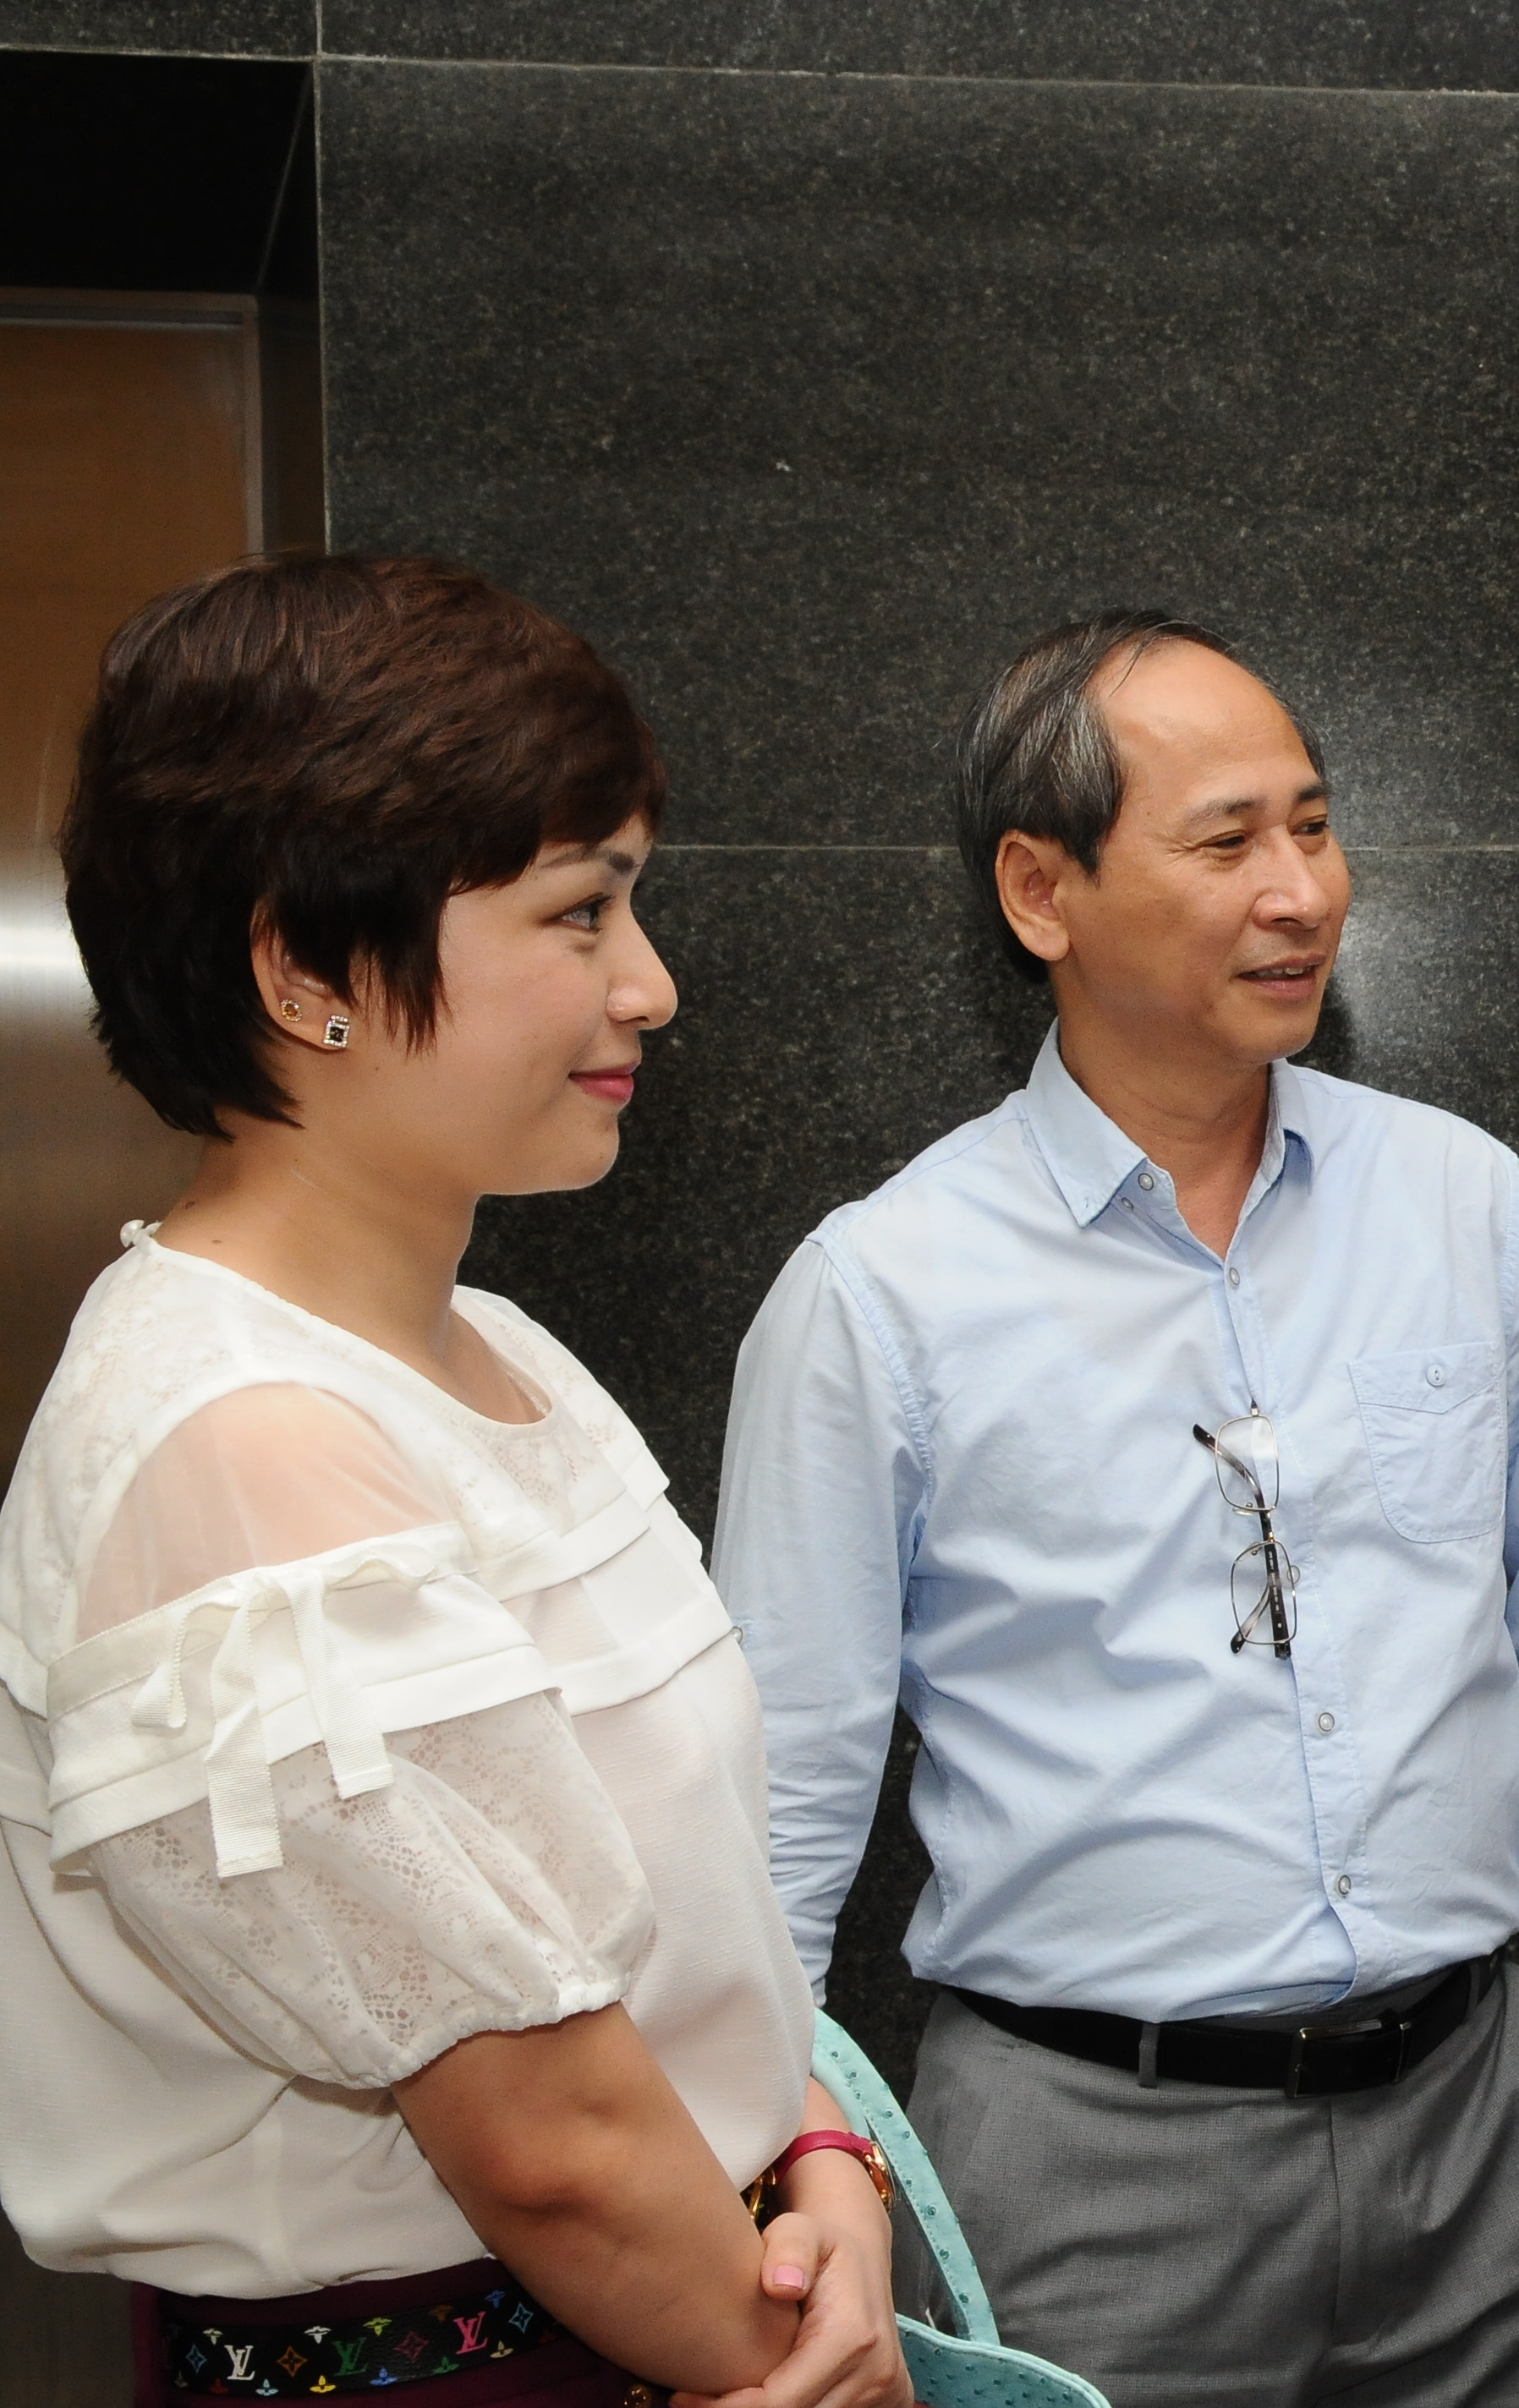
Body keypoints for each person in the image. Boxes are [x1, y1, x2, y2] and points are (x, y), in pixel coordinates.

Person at [718, 611, 1519, 2408]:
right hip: (1085, 2161)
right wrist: (799, 2148)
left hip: (1488, 2119)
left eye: (1313, 825)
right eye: (1227, 839)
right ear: (1042, 890)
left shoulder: (1460, 1200)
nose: (1301, 891)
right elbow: (774, 1797)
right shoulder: (882, 1291)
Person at [0, 555, 908, 2408]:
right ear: (305, 970)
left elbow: (687, 1938)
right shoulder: (237, 1439)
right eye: (579, 912)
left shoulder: (495, 1345)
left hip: (697, 2286)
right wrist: (817, 2363)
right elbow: (550, 2147)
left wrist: (822, 2157)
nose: (648, 984)